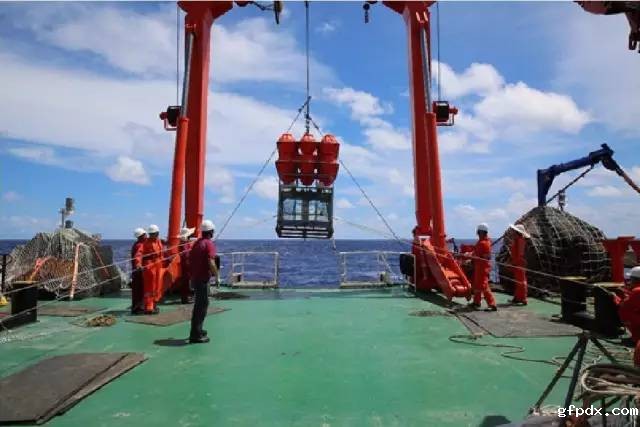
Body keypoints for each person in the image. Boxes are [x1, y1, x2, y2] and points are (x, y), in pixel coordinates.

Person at [188, 219, 219, 344]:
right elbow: (211, 262)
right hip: (202, 280)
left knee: (199, 305)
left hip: (196, 278)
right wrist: (217, 275)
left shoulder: (197, 244)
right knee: (202, 306)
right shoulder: (209, 244)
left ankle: (198, 330)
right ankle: (195, 334)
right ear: (211, 232)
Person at [614, 266, 640, 366]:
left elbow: (624, 306)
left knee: (626, 314)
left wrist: (615, 297)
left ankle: (635, 338)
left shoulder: (637, 291)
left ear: (635, 279)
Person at [136, 224, 163, 315]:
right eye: (151, 234)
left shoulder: (158, 241)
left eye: (154, 233)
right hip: (149, 266)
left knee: (157, 286)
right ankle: (149, 307)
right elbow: (139, 254)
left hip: (158, 265)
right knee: (149, 287)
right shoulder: (145, 243)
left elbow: (161, 253)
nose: (153, 235)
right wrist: (138, 263)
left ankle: (154, 304)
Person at [469, 223, 497, 311]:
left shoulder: (483, 243)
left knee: (484, 286)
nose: (477, 234)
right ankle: (476, 302)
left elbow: (484, 256)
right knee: (477, 285)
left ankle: (492, 304)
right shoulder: (484, 242)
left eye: (478, 232)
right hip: (480, 266)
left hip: (482, 267)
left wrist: (470, 256)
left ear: (480, 232)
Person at [509, 223, 530, 306]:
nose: (513, 232)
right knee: (518, 281)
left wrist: (515, 263)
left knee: (521, 281)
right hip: (516, 263)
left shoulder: (520, 241)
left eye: (514, 231)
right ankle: (517, 298)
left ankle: (523, 299)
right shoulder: (517, 240)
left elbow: (520, 255)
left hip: (519, 264)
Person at [130, 227, 147, 314]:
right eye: (145, 234)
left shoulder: (136, 244)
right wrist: (139, 265)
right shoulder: (140, 245)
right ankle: (138, 308)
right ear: (142, 235)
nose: (146, 235)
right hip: (138, 270)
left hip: (135, 270)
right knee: (139, 290)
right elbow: (138, 256)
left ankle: (136, 307)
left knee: (137, 290)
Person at [178, 226, 195, 304]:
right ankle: (185, 298)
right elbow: (186, 255)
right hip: (186, 266)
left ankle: (186, 297)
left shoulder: (184, 244)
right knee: (185, 282)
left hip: (186, 265)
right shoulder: (183, 245)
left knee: (186, 282)